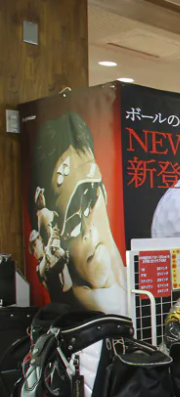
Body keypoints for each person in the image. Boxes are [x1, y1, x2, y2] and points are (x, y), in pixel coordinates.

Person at [29, 112, 127, 314]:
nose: (86, 227)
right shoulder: (76, 308)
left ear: (104, 192)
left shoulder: (141, 291)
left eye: (89, 197)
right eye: (72, 219)